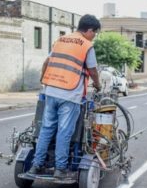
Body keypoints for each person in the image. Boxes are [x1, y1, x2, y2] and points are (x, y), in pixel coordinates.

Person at [28, 14, 102, 179]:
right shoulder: (86, 45)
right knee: (64, 131)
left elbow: (47, 63)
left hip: (51, 91)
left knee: (46, 129)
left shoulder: (61, 40)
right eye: (94, 33)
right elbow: (93, 70)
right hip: (70, 94)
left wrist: (43, 79)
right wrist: (98, 84)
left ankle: (36, 165)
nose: (94, 36)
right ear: (89, 30)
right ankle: (60, 169)